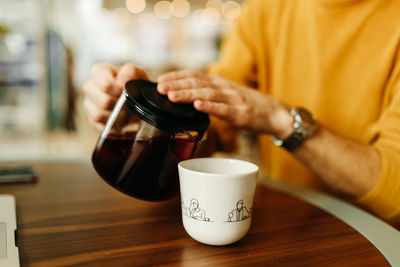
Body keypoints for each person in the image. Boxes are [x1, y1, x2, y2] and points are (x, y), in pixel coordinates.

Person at [83, 0, 400, 227]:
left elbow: (394, 193)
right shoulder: (266, 10)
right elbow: (213, 130)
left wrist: (282, 120)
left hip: (377, 239)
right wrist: (149, 121)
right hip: (283, 224)